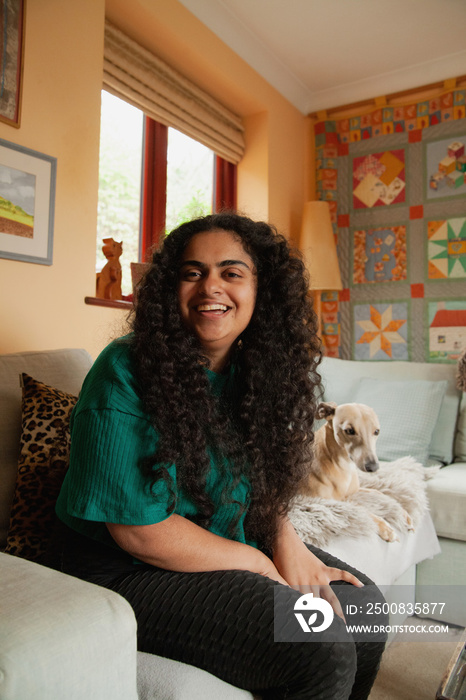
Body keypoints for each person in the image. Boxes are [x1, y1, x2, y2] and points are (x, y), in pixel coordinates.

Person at [55, 213, 387, 700]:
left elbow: (257, 485)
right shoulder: (122, 369)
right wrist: (257, 562)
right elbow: (137, 531)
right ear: (171, 288)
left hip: (215, 534)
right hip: (120, 569)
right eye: (192, 273)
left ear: (261, 290)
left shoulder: (256, 371)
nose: (210, 286)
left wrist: (285, 543)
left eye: (232, 272)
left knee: (364, 610)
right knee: (317, 639)